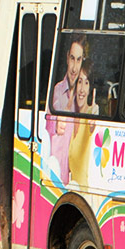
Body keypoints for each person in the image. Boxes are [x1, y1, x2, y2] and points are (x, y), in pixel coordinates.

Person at [45, 35, 87, 184]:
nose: (74, 68)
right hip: (54, 175)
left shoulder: (83, 96)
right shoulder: (56, 92)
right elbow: (47, 133)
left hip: (73, 178)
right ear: (67, 58)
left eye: (79, 59)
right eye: (72, 58)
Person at [68, 64, 98, 188]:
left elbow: (93, 124)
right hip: (70, 191)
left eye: (86, 83)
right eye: (79, 82)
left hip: (83, 194)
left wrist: (95, 115)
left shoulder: (92, 112)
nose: (81, 89)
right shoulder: (69, 117)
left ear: (91, 88)